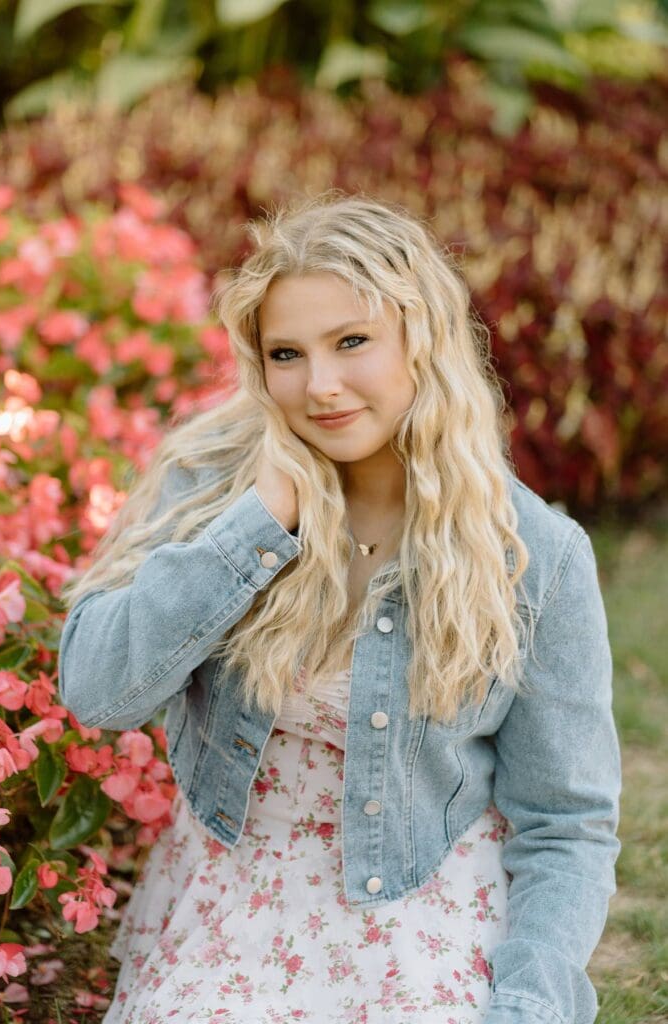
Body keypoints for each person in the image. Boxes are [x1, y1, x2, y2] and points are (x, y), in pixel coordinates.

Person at [58, 193, 621, 1024]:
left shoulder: (533, 554)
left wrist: (527, 1007)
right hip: (236, 903)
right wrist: (255, 525)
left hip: (420, 894)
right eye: (287, 354)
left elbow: (564, 823)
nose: (319, 387)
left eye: (351, 342)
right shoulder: (212, 483)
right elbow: (98, 692)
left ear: (420, 339)